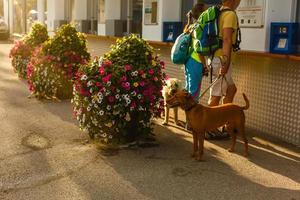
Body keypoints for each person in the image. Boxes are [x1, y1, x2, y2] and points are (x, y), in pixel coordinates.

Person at [206, 0, 242, 139]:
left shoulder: (218, 13)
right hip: (221, 59)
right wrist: (225, 63)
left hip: (216, 57)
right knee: (215, 95)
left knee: (231, 89)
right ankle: (210, 127)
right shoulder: (230, 15)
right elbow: (227, 39)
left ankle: (226, 122)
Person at [183, 3, 208, 103]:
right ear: (202, 14)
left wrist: (189, 20)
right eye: (206, 11)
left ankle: (188, 117)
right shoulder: (200, 27)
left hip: (188, 61)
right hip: (196, 61)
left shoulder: (192, 26)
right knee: (193, 93)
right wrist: (204, 65)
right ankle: (191, 117)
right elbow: (199, 50)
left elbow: (185, 32)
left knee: (188, 90)